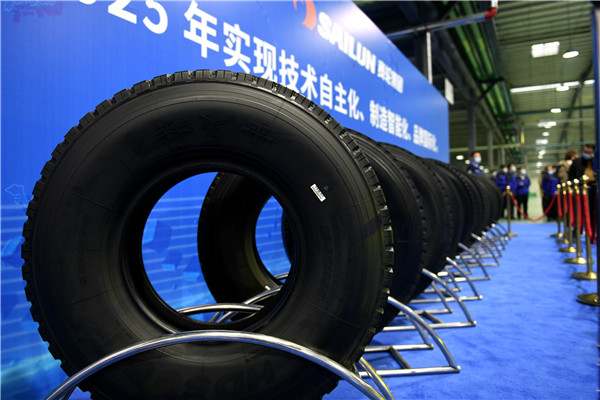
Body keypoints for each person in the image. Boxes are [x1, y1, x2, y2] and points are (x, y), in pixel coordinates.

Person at [569, 144, 597, 242]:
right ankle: (576, 232)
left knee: (594, 213)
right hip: (580, 192)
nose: (587, 153)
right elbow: (571, 176)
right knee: (578, 213)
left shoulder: (595, 161)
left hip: (594, 191)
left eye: (589, 152)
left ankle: (593, 233)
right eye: (585, 151)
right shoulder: (577, 162)